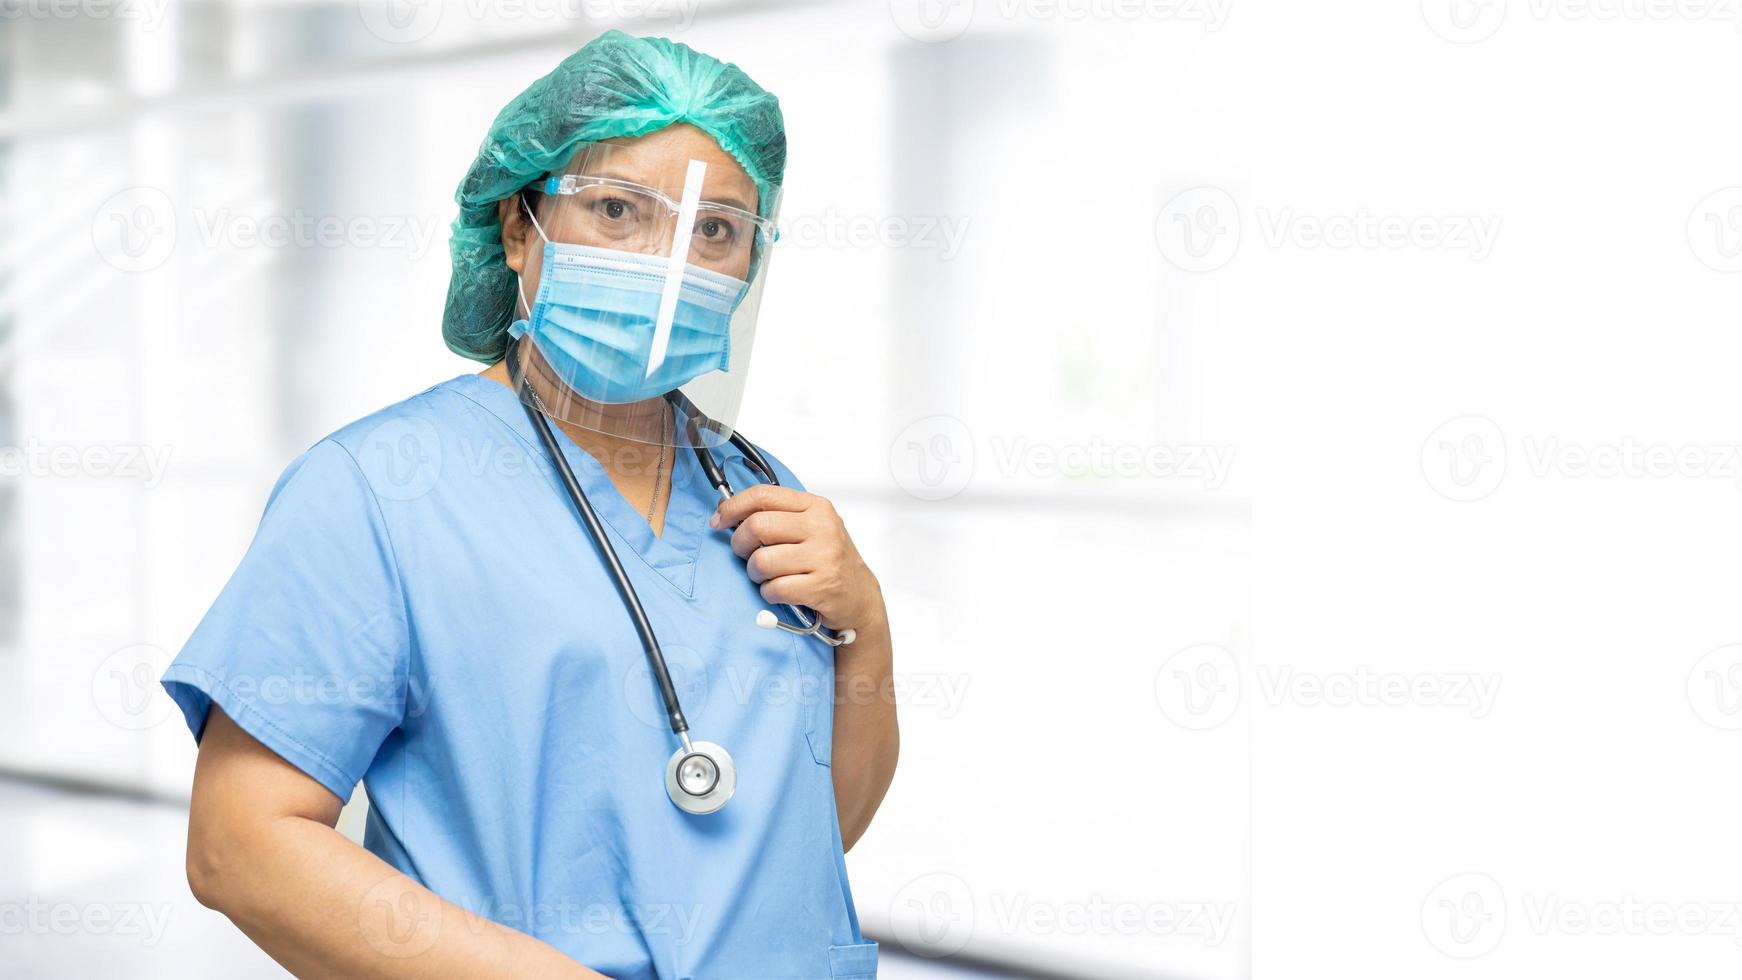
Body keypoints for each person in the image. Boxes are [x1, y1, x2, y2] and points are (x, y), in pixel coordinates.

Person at [162, 31, 897, 979]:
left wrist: (866, 622)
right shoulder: (378, 488)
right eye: (618, 209)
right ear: (519, 228)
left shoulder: (762, 492)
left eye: (715, 229)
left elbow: (808, 835)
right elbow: (242, 847)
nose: (667, 261)